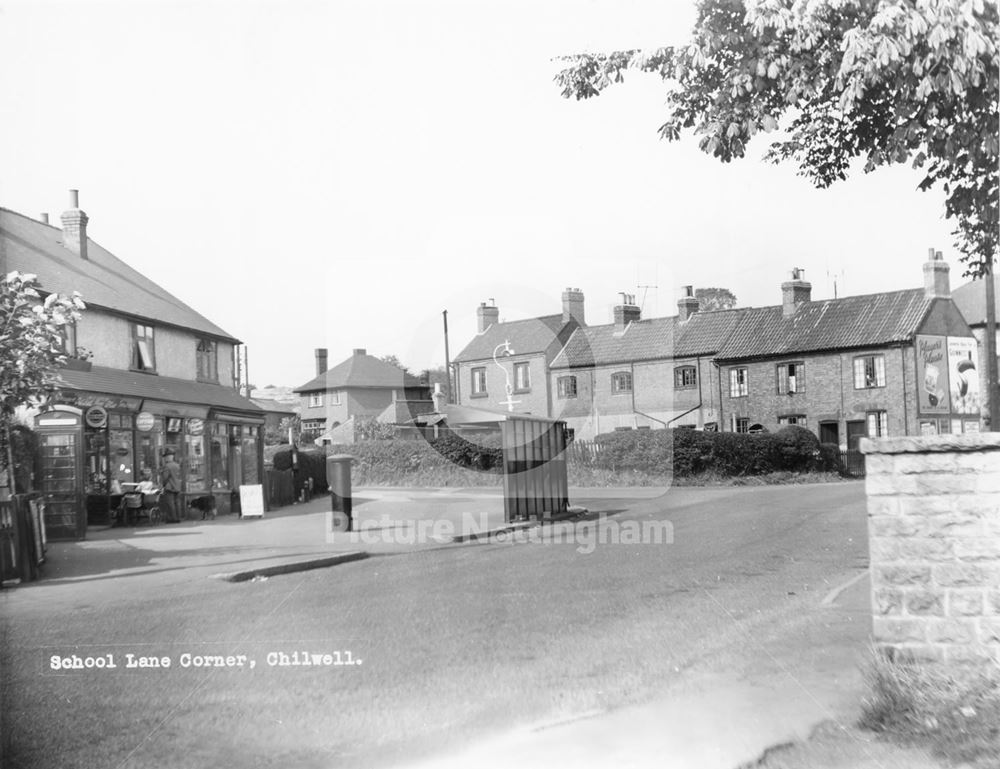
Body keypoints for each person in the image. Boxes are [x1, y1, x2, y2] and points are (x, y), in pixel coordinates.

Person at [159, 448, 182, 523]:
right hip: (177, 487)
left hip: (169, 487)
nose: (165, 458)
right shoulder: (177, 465)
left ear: (168, 457)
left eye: (165, 457)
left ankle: (172, 519)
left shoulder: (167, 466)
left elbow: (165, 477)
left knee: (170, 504)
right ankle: (178, 518)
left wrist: (162, 484)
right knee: (177, 503)